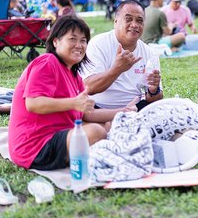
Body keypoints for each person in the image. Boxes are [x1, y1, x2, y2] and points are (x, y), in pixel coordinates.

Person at [8, 15, 135, 170]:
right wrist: (74, 102)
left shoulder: (74, 76)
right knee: (95, 131)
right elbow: (33, 103)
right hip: (35, 146)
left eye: (83, 40)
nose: (79, 45)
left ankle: (96, 150)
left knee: (107, 125)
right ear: (56, 41)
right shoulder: (47, 62)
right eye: (72, 39)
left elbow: (86, 114)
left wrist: (123, 112)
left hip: (59, 134)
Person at [81, 0, 163, 111]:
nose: (134, 25)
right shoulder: (98, 44)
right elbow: (87, 87)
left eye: (139, 21)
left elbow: (155, 99)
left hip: (136, 109)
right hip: (99, 110)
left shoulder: (150, 53)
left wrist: (154, 90)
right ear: (116, 21)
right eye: (128, 19)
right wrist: (117, 69)